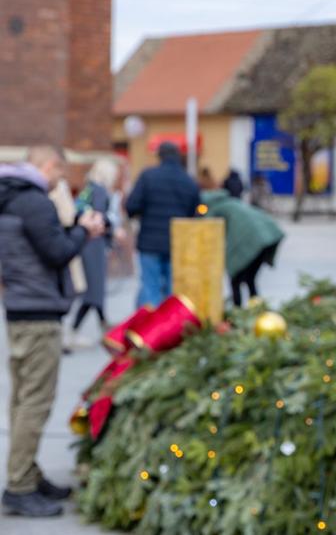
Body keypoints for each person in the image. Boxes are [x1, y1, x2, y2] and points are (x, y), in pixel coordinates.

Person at [0, 145, 105, 517]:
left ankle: (27, 472)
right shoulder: (34, 202)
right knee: (35, 402)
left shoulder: (12, 197)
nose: (60, 183)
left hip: (20, 308)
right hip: (38, 312)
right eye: (61, 175)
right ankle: (20, 486)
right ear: (50, 165)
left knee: (22, 401)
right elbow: (56, 252)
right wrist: (83, 231)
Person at [125, 142, 200, 307]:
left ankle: (148, 330)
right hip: (177, 243)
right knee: (172, 291)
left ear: (160, 156)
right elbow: (197, 212)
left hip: (150, 243)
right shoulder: (188, 181)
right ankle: (168, 329)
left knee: (150, 288)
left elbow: (131, 206)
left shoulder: (148, 176)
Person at [67, 158, 121, 347]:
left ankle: (104, 325)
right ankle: (74, 332)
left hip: (87, 243)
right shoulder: (99, 191)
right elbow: (98, 218)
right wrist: (111, 225)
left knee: (95, 290)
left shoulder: (88, 189)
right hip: (94, 244)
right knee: (94, 291)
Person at [199, 188, 284, 307]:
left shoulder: (213, 208)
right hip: (267, 237)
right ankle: (256, 309)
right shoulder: (230, 202)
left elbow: (205, 228)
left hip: (254, 240)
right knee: (249, 279)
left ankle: (238, 311)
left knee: (235, 279)